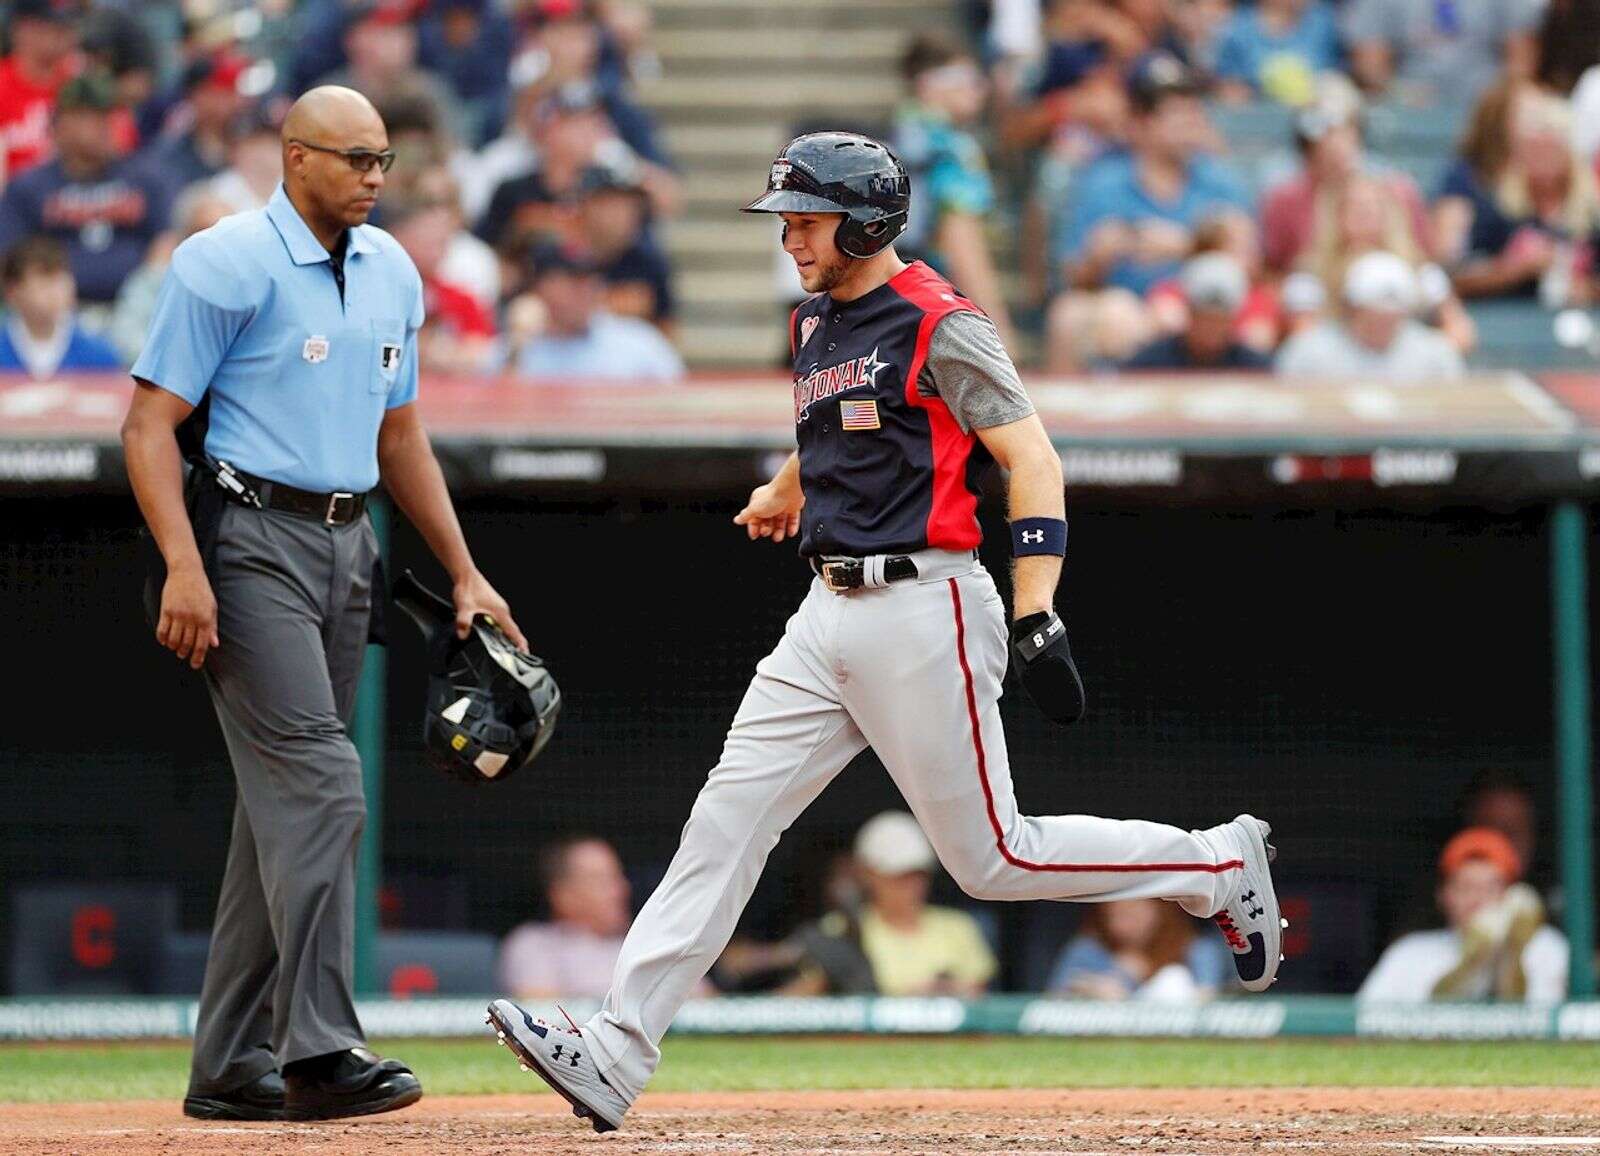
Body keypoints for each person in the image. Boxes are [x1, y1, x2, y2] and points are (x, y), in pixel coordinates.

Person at [486, 130, 1284, 1136]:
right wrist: (785, 488)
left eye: (806, 220)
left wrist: (1037, 605)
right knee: (725, 821)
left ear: (866, 220)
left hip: (928, 602)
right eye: (786, 220)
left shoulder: (940, 321)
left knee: (992, 857)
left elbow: (1031, 458)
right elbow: (828, 430)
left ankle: (1214, 865)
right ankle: (614, 1052)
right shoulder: (814, 321)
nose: (789, 239)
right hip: (826, 613)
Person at [121, 86, 525, 1124]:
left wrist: (465, 570)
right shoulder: (224, 259)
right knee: (328, 784)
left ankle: (226, 1063)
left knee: (284, 814)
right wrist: (182, 564)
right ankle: (318, 1048)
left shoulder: (393, 268)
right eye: (354, 158)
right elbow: (147, 426)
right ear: (294, 158)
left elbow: (401, 436)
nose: (375, 177)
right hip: (249, 538)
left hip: (353, 543)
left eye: (383, 159)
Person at [1047, 53, 1252, 370]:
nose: (1187, 122)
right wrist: (1103, 254)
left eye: (1191, 109)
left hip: (1204, 311)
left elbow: (1247, 266)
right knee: (1078, 313)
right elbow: (1075, 275)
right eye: (1172, 113)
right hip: (1126, 314)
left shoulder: (1218, 180)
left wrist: (1185, 247)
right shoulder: (1103, 182)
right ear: (1140, 123)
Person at [0, 71, 172, 306]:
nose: (105, 127)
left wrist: (143, 294)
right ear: (60, 124)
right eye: (91, 117)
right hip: (55, 313)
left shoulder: (146, 178)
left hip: (134, 310)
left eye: (108, 116)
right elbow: (12, 260)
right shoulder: (28, 187)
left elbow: (166, 240)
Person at [892, 32, 1015, 346]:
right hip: (931, 306)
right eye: (967, 77)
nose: (980, 88)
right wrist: (997, 332)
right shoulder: (949, 147)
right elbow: (961, 239)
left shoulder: (897, 134)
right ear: (928, 85)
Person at [1435, 83, 1600, 306]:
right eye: (1535, 148)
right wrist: (1515, 268)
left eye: (1551, 147)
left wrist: (1588, 289)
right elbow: (1457, 278)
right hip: (1506, 324)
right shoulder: (1495, 207)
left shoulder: (1593, 213)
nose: (1543, 158)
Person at [1358, 828, 1568, 1003]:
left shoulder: (1544, 945)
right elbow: (1357, 1024)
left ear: (1509, 895)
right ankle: (1467, 969)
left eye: (1489, 888)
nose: (1477, 899)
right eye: (1465, 887)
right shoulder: (1410, 952)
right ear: (1443, 895)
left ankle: (1502, 963)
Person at [850, 811, 997, 997]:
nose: (912, 886)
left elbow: (980, 996)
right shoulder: (843, 930)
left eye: (919, 875)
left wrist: (944, 990)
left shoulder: (958, 926)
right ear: (868, 874)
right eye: (899, 876)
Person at [503, 241, 684, 381]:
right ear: (541, 286)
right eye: (574, 280)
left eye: (591, 279)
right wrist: (517, 348)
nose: (586, 289)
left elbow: (678, 403)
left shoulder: (640, 344)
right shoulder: (515, 348)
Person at [1276, 250, 1465, 380]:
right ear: (1352, 308)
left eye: (1393, 313)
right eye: (1373, 312)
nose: (1383, 320)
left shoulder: (1436, 354)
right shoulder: (1308, 353)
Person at [109, 185, 233, 364]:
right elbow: (126, 340)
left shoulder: (254, 284)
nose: (213, 242)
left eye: (223, 232)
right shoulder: (153, 282)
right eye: (202, 231)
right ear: (182, 238)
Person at [1340, 0, 1544, 109]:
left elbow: (1521, 61)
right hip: (1409, 111)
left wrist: (1496, 104)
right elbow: (1370, 66)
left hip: (1485, 111)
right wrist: (1398, 92)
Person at [498, 837, 633, 1000]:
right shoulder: (532, 944)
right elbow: (541, 1017)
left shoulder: (638, 946)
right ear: (562, 895)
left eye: (618, 878)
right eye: (602, 881)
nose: (620, 890)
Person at [1048, 898, 1229, 1000]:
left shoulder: (1196, 948)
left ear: (1159, 910)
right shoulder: (1088, 949)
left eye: (1132, 912)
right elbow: (1051, 1001)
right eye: (1113, 916)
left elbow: (1207, 999)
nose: (1122, 924)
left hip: (1175, 1040)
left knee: (1173, 978)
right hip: (1105, 1040)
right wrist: (1106, 984)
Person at [1120, 252, 1271, 370]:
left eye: (1219, 321)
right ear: (1189, 313)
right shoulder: (1151, 362)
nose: (1210, 329)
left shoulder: (1254, 367)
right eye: (1204, 318)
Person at [0, 234, 121, 377]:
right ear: (13, 292)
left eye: (60, 282)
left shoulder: (99, 355)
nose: (55, 294)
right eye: (43, 285)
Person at [575, 160, 672, 327]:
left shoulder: (647, 264)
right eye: (611, 203)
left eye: (631, 205)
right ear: (586, 204)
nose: (623, 214)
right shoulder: (557, 255)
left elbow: (666, 329)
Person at [0, 0, 82, 185]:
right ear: (21, 29)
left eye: (68, 26)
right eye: (52, 27)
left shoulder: (79, 84)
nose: (64, 35)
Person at [1212, 0, 1340, 107]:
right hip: (1259, 123)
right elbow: (1228, 86)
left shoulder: (1323, 23)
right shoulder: (1236, 29)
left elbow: (1336, 77)